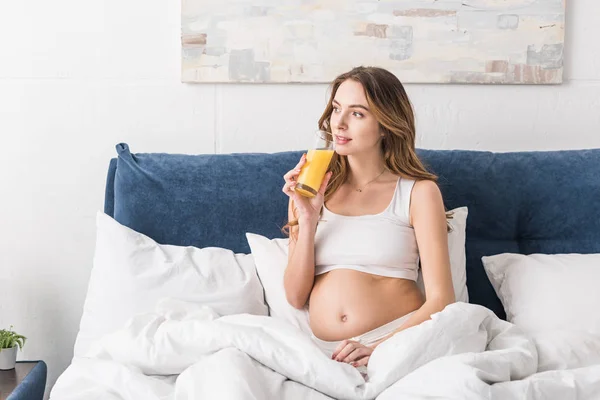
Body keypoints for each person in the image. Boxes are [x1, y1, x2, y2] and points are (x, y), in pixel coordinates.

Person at [281, 66, 456, 370]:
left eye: (357, 114)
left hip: (398, 343)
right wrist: (307, 220)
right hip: (325, 354)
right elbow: (296, 298)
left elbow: (442, 298)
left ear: (386, 125)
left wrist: (379, 349)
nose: (340, 123)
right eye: (337, 109)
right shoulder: (309, 190)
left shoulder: (418, 193)